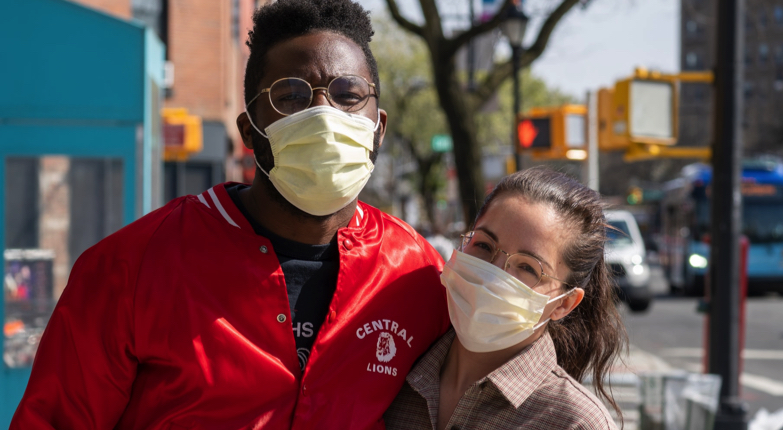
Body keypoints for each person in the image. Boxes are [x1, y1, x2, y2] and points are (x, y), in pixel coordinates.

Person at [10, 1, 449, 428]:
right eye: (291, 96)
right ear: (249, 130)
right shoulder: (130, 269)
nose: (324, 116)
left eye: (348, 95)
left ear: (380, 126)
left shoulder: (417, 274)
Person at [384, 167, 627, 430]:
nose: (493, 276)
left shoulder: (574, 422)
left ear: (564, 303)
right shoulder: (389, 372)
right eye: (484, 246)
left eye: (528, 268)